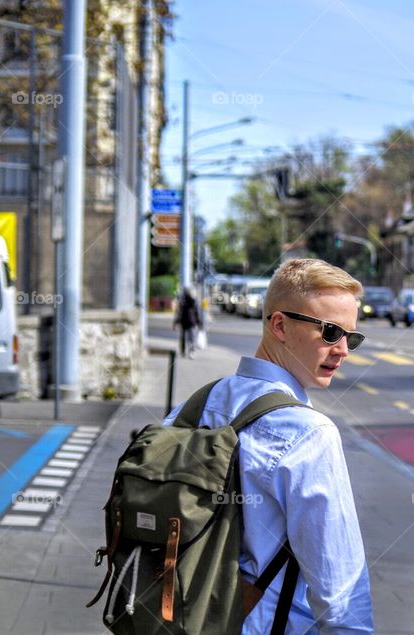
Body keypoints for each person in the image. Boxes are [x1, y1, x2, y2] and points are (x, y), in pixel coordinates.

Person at [165, 259, 373, 634]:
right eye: (330, 332)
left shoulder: (193, 406)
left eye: (351, 337)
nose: (343, 350)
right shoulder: (310, 434)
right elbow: (340, 595)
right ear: (279, 325)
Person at [174, 286, 201, 358]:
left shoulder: (183, 301)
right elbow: (197, 312)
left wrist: (176, 322)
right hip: (191, 322)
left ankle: (184, 351)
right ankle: (191, 351)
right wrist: (199, 322)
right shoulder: (194, 301)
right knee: (191, 338)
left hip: (185, 322)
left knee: (184, 338)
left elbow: (179, 313)